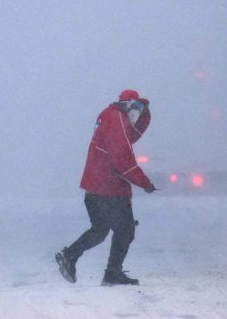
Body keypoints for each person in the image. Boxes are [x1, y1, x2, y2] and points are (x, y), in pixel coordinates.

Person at [55, 89, 154, 286]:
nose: (136, 114)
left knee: (100, 230)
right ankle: (112, 273)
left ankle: (70, 256)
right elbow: (123, 160)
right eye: (135, 109)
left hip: (96, 187)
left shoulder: (112, 117)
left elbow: (131, 137)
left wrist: (145, 114)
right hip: (109, 189)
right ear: (128, 105)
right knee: (125, 231)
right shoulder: (117, 121)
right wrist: (145, 183)